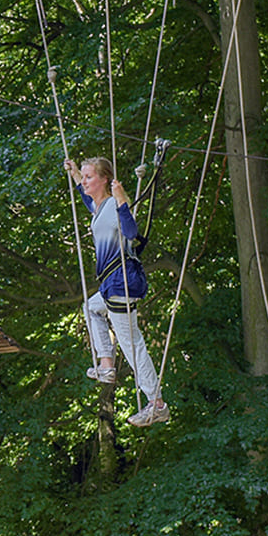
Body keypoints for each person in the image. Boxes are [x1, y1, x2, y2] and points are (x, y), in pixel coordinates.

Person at [63, 155, 168, 426]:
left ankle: (156, 403)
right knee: (91, 308)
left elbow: (131, 231)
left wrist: (122, 200)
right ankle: (106, 365)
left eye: (89, 177)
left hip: (122, 282)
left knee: (132, 344)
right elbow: (88, 200)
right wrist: (75, 174)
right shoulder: (99, 208)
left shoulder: (112, 206)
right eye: (83, 177)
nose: (84, 182)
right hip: (115, 284)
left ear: (104, 179)